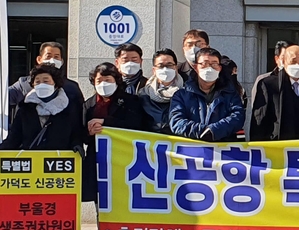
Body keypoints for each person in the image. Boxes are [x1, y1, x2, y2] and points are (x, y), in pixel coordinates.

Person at [83, 63, 147, 201]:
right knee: (100, 200)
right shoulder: (89, 104)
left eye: (108, 80)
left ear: (116, 81)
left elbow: (135, 126)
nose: (103, 84)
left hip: (123, 157)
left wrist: (105, 123)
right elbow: (81, 132)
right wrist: (89, 132)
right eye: (99, 81)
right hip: (97, 159)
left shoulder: (131, 101)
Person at [1, 64, 85, 151]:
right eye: (37, 82)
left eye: (46, 81)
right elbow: (14, 138)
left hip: (59, 161)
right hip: (31, 160)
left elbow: (76, 133)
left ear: (55, 84)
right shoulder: (25, 107)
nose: (41, 85)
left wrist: (76, 145)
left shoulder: (70, 107)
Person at [169, 47, 245, 141]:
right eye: (204, 64)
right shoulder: (181, 95)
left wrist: (214, 131)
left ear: (220, 68)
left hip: (223, 151)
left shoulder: (231, 94)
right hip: (192, 151)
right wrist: (202, 131)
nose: (209, 68)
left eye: (214, 64)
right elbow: (176, 122)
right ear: (196, 67)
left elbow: (237, 117)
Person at [249, 44, 299, 141]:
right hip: (276, 144)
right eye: (293, 61)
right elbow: (259, 118)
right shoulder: (268, 84)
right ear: (284, 61)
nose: (298, 65)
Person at [7, 41, 84, 124]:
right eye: (48, 56)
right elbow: (4, 97)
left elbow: (80, 115)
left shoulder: (72, 87)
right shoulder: (24, 84)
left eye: (56, 57)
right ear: (39, 59)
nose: (52, 60)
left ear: (62, 61)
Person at [139, 49, 183, 134]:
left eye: (169, 65)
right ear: (154, 70)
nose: (165, 69)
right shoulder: (143, 94)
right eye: (161, 66)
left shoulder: (187, 92)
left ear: (176, 68)